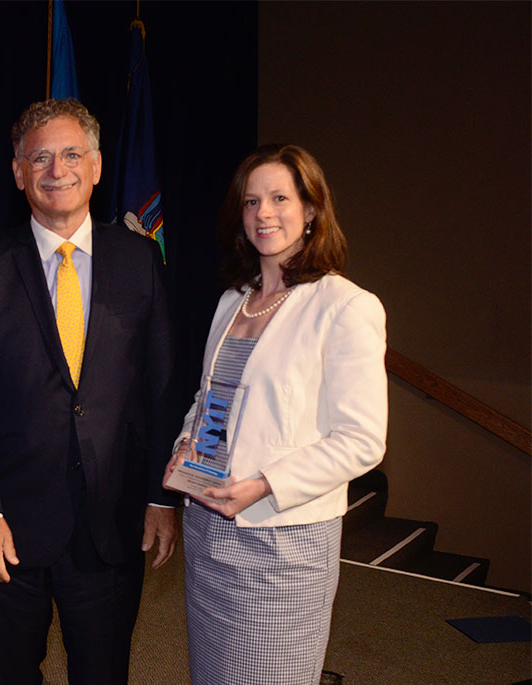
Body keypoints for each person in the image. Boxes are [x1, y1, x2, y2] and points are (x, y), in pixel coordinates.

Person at [0, 98, 178, 684]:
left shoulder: (139, 259)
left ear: (97, 166)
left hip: (113, 519)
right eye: (40, 157)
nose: (57, 170)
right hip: (10, 527)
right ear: (18, 172)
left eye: (72, 154)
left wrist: (161, 497)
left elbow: (162, 386)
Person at [164, 143, 387, 684]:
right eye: (251, 201)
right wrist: (186, 446)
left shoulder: (345, 305)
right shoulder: (231, 301)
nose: (263, 213)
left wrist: (264, 483)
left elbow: (362, 440)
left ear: (311, 210)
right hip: (209, 527)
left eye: (280, 198)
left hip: (282, 545)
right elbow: (210, 401)